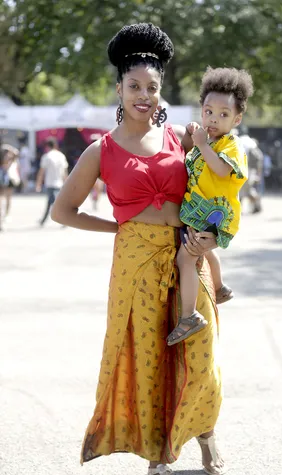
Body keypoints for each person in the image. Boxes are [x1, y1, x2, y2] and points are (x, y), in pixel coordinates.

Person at [51, 23, 224, 475]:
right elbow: (63, 211)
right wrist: (119, 229)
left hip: (187, 254)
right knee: (146, 354)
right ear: (119, 90)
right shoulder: (100, 150)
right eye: (134, 87)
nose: (143, 95)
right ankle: (155, 454)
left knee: (201, 352)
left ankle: (205, 435)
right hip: (136, 262)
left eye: (152, 87)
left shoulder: (179, 140)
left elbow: (216, 188)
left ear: (160, 92)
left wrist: (213, 233)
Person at [166, 67, 253, 346]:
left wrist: (202, 144)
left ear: (237, 118)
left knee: (186, 258)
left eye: (223, 114)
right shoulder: (209, 140)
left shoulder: (230, 145)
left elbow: (221, 171)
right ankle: (219, 286)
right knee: (200, 250)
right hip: (200, 211)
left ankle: (189, 315)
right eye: (208, 111)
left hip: (213, 214)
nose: (213, 119)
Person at [35, 137, 68, 225]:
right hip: (60, 183)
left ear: (47, 146)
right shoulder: (61, 156)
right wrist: (67, 183)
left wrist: (38, 184)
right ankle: (44, 220)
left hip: (50, 183)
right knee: (52, 202)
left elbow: (41, 172)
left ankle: (64, 220)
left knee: (53, 203)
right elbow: (64, 172)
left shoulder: (46, 156)